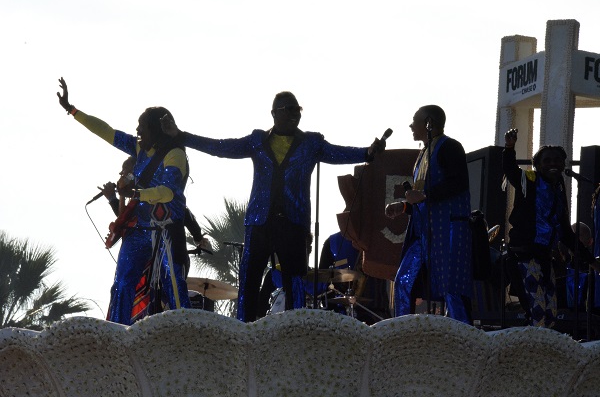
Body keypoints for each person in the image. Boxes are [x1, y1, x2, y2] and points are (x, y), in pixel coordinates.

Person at [162, 91, 386, 322]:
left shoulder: (311, 143)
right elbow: (222, 147)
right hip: (260, 222)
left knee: (296, 281)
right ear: (273, 114)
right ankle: (243, 328)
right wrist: (182, 136)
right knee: (249, 280)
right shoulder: (257, 141)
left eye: (297, 110)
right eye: (287, 110)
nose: (293, 115)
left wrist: (366, 153)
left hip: (294, 223)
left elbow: (338, 152)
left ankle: (295, 328)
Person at [57, 77, 191, 325]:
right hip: (139, 231)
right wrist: (72, 110)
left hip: (165, 232)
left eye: (142, 127)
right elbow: (106, 131)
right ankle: (117, 333)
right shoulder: (139, 149)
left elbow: (169, 192)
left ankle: (185, 333)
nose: (137, 131)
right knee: (121, 283)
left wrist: (138, 194)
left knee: (173, 285)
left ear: (156, 130)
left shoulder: (175, 154)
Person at [385, 105, 473, 325]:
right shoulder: (423, 153)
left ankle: (464, 341)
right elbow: (423, 199)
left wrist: (422, 195)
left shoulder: (450, 147)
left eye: (415, 120)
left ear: (429, 123)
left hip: (448, 231)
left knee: (451, 290)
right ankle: (401, 332)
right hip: (425, 234)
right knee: (404, 281)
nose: (410, 125)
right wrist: (404, 207)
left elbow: (457, 184)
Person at [502, 128, 595, 328]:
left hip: (544, 257)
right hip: (524, 256)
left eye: (557, 160)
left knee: (551, 312)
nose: (553, 164)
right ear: (537, 165)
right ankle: (534, 354)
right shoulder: (529, 181)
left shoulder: (559, 192)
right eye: (547, 160)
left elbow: (567, 235)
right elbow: (510, 170)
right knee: (537, 311)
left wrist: (590, 261)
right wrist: (509, 148)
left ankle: (544, 351)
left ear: (563, 165)